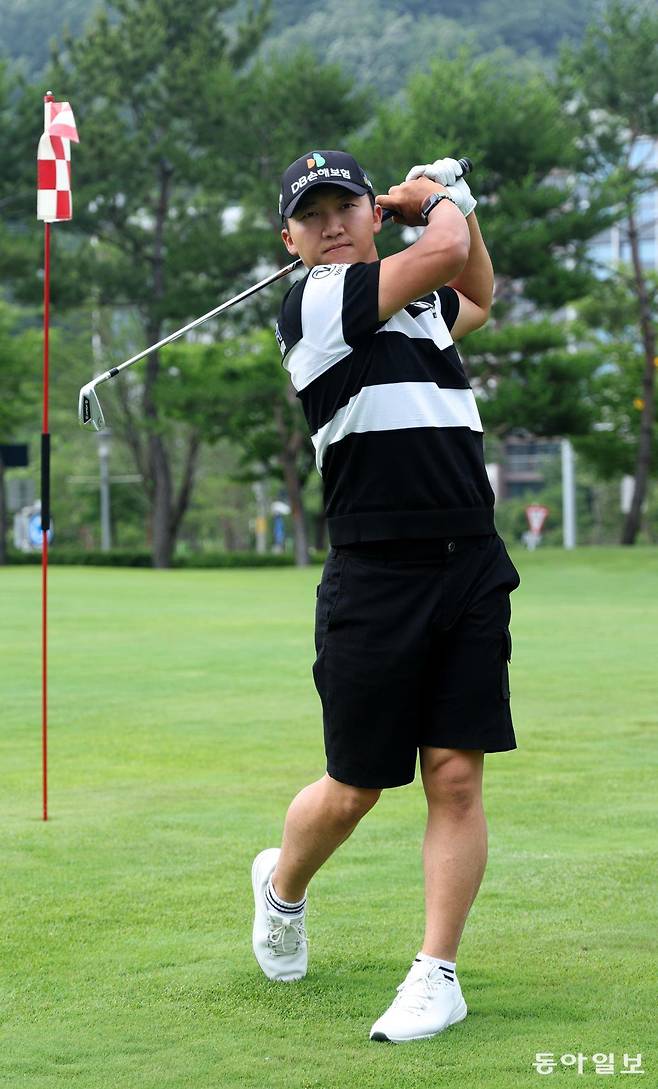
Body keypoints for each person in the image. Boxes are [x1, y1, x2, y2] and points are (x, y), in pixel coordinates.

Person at [251, 149, 521, 1044]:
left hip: (470, 559)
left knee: (455, 773)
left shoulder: (414, 302)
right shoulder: (316, 303)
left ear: (372, 216)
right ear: (291, 239)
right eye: (313, 213)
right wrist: (435, 200)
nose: (332, 222)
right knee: (355, 786)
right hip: (376, 572)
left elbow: (475, 286)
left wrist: (456, 208)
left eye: (347, 206)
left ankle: (437, 971)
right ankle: (282, 886)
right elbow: (443, 251)